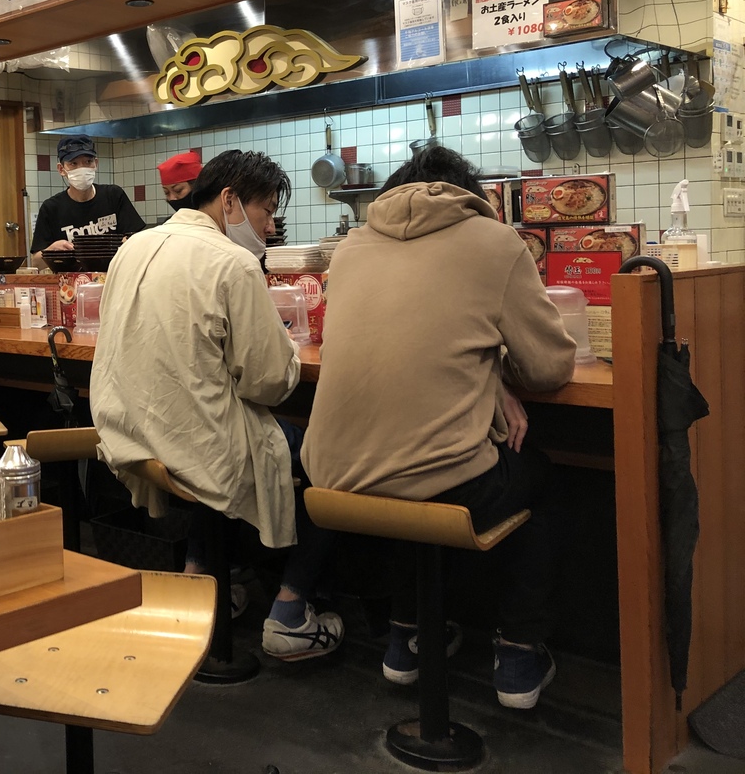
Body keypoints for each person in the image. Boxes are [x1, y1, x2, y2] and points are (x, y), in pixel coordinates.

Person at [301, 145, 576, 709]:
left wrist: (487, 377)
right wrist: (496, 373)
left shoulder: (348, 249)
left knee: (415, 461)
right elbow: (549, 369)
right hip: (436, 483)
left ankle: (408, 636)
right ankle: (519, 653)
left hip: (329, 479)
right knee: (542, 477)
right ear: (467, 196)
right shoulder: (496, 241)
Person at [91, 149, 344, 661]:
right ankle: (291, 612)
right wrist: (287, 348)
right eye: (265, 210)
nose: (270, 226)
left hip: (129, 434)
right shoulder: (233, 262)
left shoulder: (134, 245)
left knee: (210, 428)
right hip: (195, 444)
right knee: (332, 458)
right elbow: (268, 384)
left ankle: (198, 585)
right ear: (229, 201)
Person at [29, 135, 146, 269]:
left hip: (114, 276)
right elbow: (36, 263)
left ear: (96, 164)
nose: (82, 168)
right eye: (74, 163)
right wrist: (51, 251)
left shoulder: (113, 195)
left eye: (88, 161)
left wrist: (127, 244)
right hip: (71, 280)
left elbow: (138, 238)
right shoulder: (51, 208)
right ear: (61, 169)